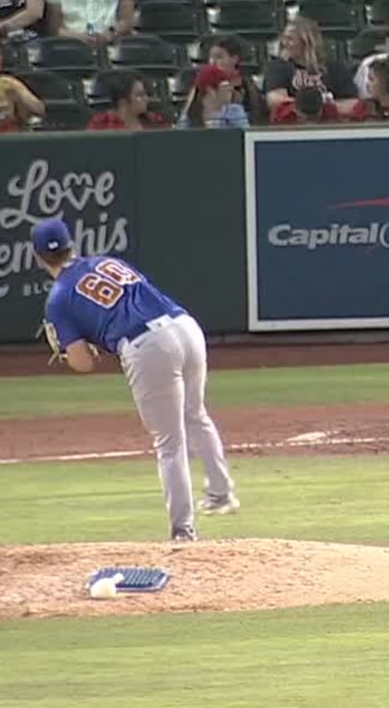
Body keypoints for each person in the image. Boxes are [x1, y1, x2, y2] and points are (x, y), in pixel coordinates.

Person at [32, 217, 239, 543]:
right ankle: (221, 493)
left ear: (38, 257)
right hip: (185, 327)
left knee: (169, 443)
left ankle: (183, 531)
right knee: (196, 415)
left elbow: (83, 363)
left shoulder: (58, 299)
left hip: (147, 346)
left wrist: (74, 349)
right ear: (72, 244)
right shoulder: (107, 262)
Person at [264, 17, 361, 116]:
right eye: (284, 38)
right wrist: (312, 107)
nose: (284, 43)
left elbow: (353, 104)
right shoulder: (278, 67)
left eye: (290, 39)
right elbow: (275, 100)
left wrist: (320, 107)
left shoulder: (335, 68)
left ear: (307, 42)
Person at [180, 35, 268, 124]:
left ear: (234, 59)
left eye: (219, 57)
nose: (213, 62)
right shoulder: (200, 83)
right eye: (211, 57)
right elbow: (186, 118)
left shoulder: (247, 86)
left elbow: (258, 117)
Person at [86, 71, 169, 130]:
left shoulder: (155, 120)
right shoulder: (101, 123)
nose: (146, 99)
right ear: (123, 102)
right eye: (140, 95)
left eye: (145, 94)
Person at [179, 63, 249, 129]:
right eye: (225, 86)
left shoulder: (234, 111)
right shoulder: (189, 116)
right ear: (211, 90)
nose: (230, 89)